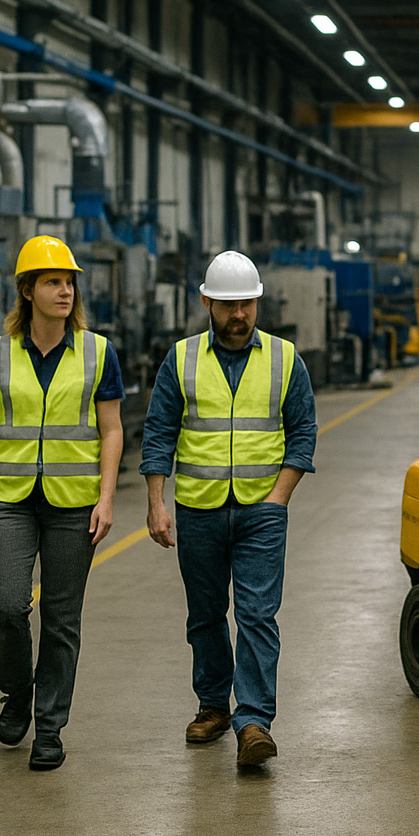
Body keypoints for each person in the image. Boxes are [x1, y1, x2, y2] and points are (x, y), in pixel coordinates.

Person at [142, 250, 317, 768]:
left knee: (258, 615)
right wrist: (156, 502)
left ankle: (254, 722)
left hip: (262, 510)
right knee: (205, 616)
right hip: (198, 509)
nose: (238, 314)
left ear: (258, 302)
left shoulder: (286, 359)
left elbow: (303, 432)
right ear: (206, 303)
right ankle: (214, 706)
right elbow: (158, 433)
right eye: (227, 305)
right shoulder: (182, 359)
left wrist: (278, 498)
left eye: (246, 304)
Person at [0, 235, 124, 771]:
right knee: (5, 606)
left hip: (74, 505)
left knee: (61, 617)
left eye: (70, 282)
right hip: (8, 500)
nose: (65, 291)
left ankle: (49, 727)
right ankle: (17, 692)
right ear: (27, 291)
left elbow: (113, 429)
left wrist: (106, 497)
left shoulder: (98, 352)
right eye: (53, 282)